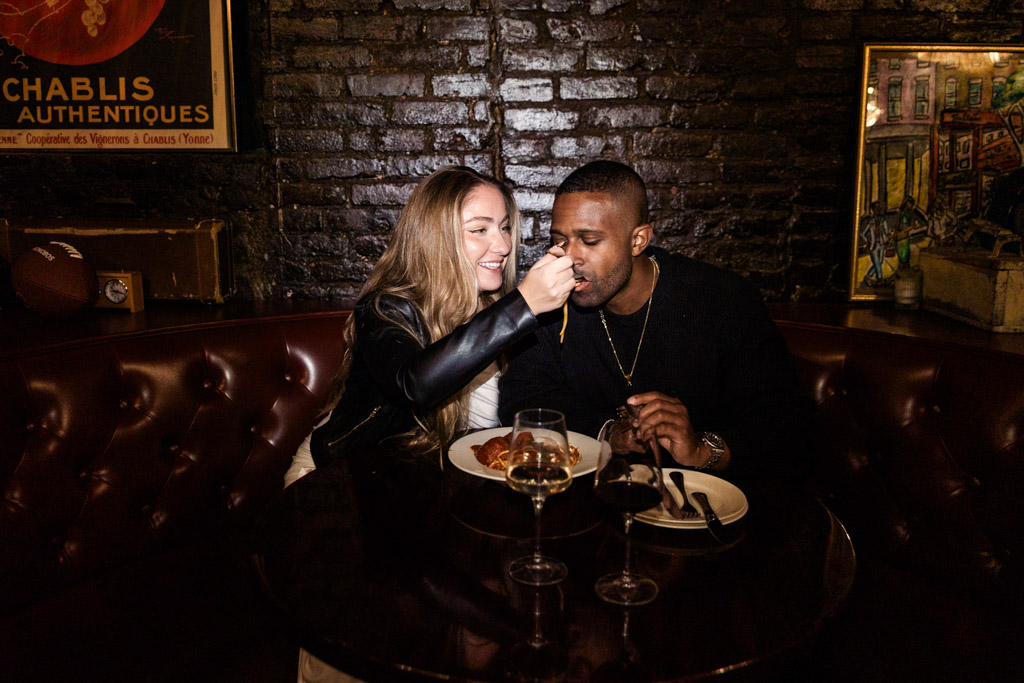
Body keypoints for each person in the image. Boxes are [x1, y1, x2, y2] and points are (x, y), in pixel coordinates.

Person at [498, 160, 813, 477]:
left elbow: (786, 425)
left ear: (638, 240)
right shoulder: (552, 299)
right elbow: (521, 399)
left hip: (708, 503)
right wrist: (608, 433)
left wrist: (701, 449)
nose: (569, 257)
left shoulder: (723, 301)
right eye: (560, 240)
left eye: (589, 240)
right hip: (591, 500)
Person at [285, 165, 575, 486]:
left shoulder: (499, 307)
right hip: (339, 476)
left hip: (424, 481)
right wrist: (523, 305)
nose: (504, 246)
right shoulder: (385, 308)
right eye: (480, 230)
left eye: (505, 228)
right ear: (437, 237)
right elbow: (415, 386)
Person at [859, 201, 890, 286]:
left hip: (882, 244)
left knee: (880, 262)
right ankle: (880, 279)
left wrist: (887, 236)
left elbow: (887, 232)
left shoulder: (883, 220)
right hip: (873, 245)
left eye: (879, 208)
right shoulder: (871, 222)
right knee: (877, 263)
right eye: (876, 208)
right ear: (873, 210)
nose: (878, 210)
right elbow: (863, 233)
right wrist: (867, 241)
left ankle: (868, 276)